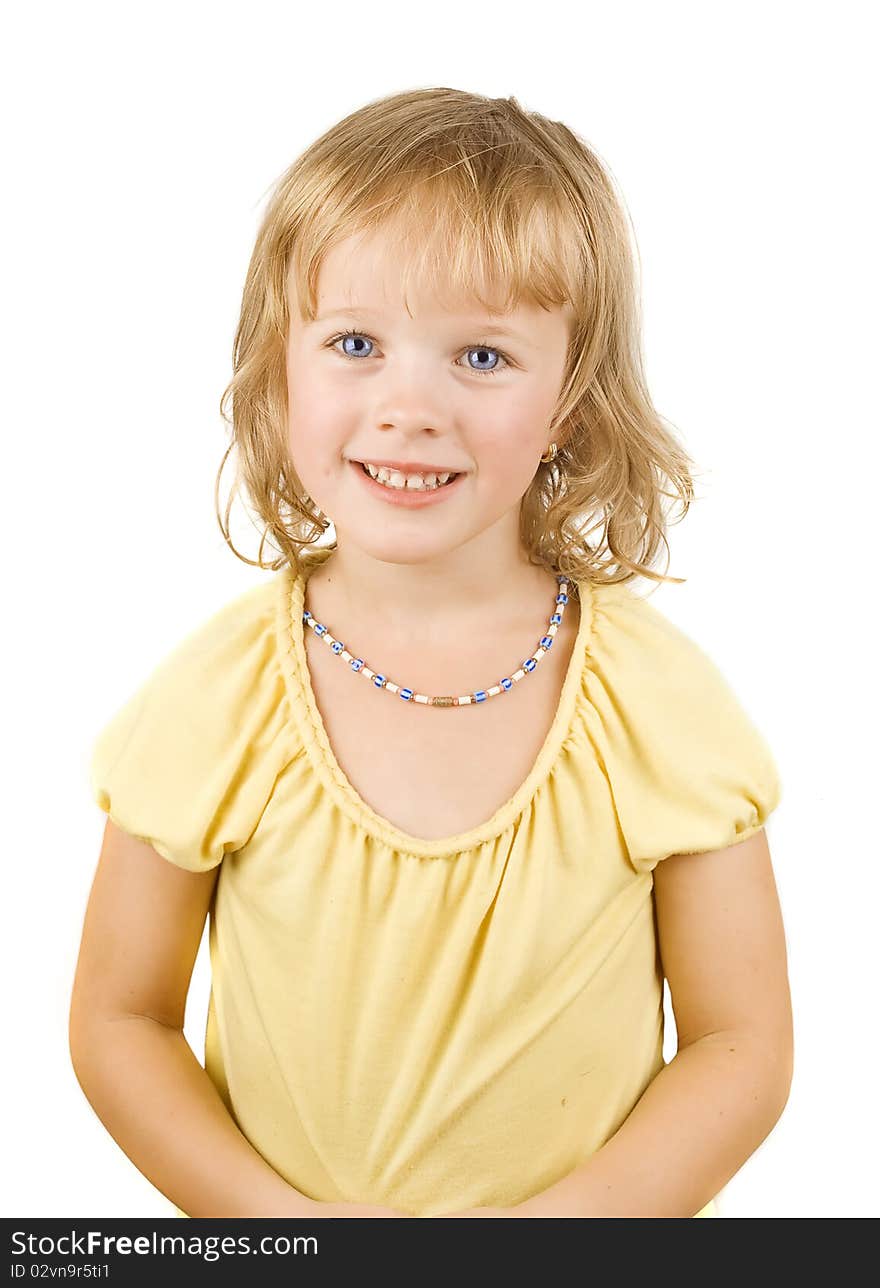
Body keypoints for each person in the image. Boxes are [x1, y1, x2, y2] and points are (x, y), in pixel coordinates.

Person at [70, 86, 793, 1220]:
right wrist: (287, 1233)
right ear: (281, 370)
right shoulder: (216, 698)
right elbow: (120, 1021)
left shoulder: (659, 704)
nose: (410, 406)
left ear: (570, 401)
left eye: (482, 355)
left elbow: (739, 1044)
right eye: (355, 342)